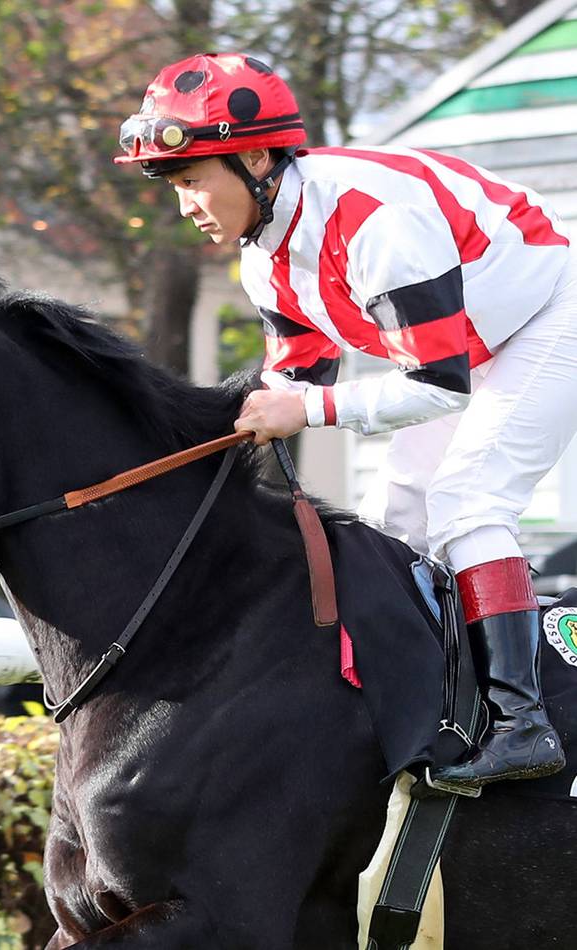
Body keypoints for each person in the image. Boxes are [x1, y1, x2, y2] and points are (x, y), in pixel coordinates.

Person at [115, 52, 577, 792]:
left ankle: (524, 725)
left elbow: (435, 385)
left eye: (194, 179)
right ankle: (441, 705)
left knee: (467, 501)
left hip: (549, 317)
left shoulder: (372, 218)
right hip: (476, 342)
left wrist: (301, 407)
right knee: (404, 521)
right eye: (175, 186)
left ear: (259, 156)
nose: (186, 205)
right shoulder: (265, 258)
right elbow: (292, 384)